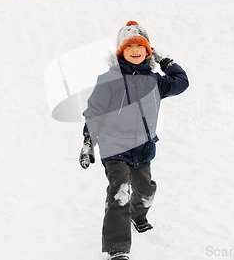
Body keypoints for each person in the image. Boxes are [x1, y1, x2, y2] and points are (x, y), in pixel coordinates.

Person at [79, 21, 189, 260]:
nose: (136, 49)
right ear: (121, 52)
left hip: (143, 147)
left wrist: (164, 61)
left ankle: (138, 216)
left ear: (148, 52)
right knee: (120, 191)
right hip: (114, 146)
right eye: (130, 46)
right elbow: (94, 111)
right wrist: (89, 141)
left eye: (142, 46)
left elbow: (182, 82)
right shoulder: (109, 80)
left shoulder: (156, 81)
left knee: (146, 190)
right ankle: (117, 249)